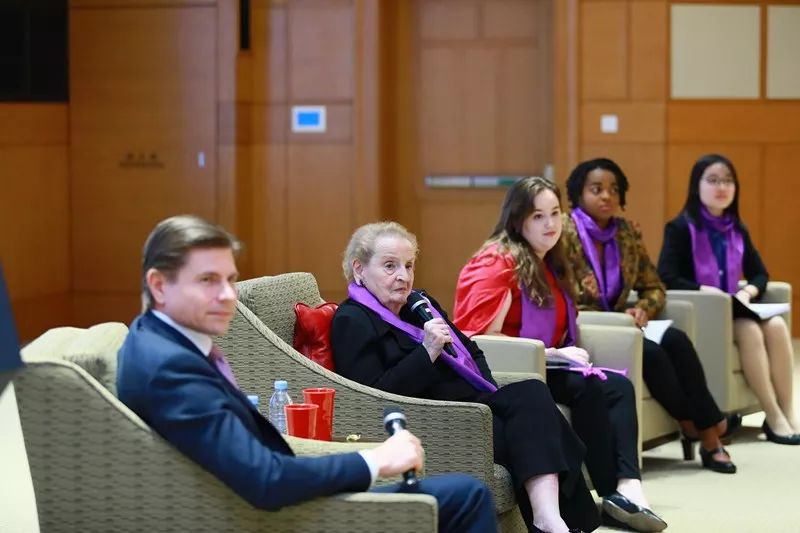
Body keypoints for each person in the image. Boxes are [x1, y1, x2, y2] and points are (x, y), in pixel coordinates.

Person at [116, 215, 498, 533]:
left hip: (277, 494)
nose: (228, 295)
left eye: (229, 280)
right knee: (466, 496)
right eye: (207, 281)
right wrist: (375, 461)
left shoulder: (165, 343)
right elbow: (265, 481)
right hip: (271, 516)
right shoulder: (170, 368)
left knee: (464, 491)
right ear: (159, 285)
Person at [330, 222, 601, 533]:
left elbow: (471, 350)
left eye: (409, 265)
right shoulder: (352, 320)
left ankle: (548, 521)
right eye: (390, 266)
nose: (403, 276)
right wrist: (427, 351)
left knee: (533, 393)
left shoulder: (419, 304)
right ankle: (554, 522)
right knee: (538, 422)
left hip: (474, 402)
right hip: (433, 418)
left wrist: (489, 392)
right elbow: (372, 397)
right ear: (360, 269)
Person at [453, 177, 666, 532]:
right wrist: (550, 352)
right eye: (538, 216)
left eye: (555, 213)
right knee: (589, 388)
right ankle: (611, 492)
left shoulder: (551, 260)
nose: (550, 224)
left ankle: (627, 487)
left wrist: (558, 354)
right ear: (517, 219)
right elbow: (475, 338)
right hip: (512, 373)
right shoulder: (495, 262)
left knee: (617, 387)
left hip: (548, 365)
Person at [560, 158, 740, 474]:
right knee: (653, 354)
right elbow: (559, 294)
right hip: (589, 328)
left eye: (614, 190)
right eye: (596, 189)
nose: (606, 196)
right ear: (578, 193)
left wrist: (643, 307)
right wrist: (614, 317)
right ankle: (707, 430)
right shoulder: (563, 232)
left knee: (677, 340)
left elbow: (655, 285)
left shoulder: (627, 233)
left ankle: (704, 431)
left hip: (627, 324)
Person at [658, 153, 800, 444]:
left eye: (727, 181)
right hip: (705, 313)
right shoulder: (680, 228)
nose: (721, 187)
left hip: (735, 307)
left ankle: (788, 412)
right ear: (696, 186)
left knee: (776, 326)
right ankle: (773, 415)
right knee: (749, 330)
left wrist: (747, 291)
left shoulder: (736, 228)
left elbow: (760, 273)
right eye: (713, 180)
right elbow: (667, 276)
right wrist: (704, 290)